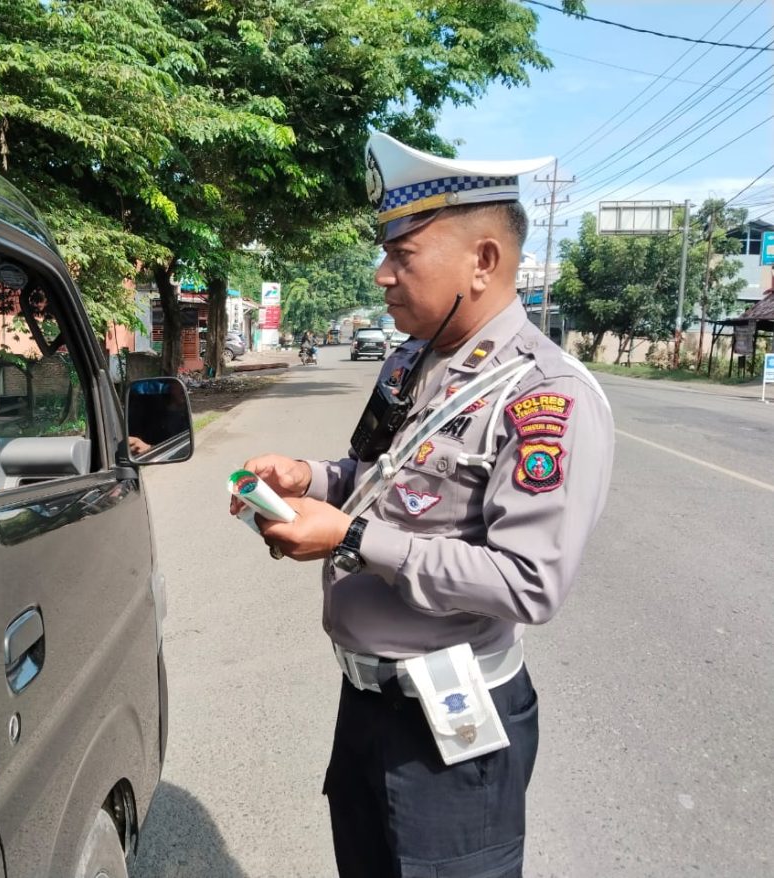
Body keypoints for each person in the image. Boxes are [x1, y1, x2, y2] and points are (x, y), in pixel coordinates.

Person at [233, 132, 615, 877]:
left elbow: (529, 582)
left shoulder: (544, 396)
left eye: (403, 256)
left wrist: (352, 539)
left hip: (452, 718)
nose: (382, 276)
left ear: (484, 262)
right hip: (366, 700)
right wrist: (305, 479)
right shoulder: (412, 361)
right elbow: (373, 478)